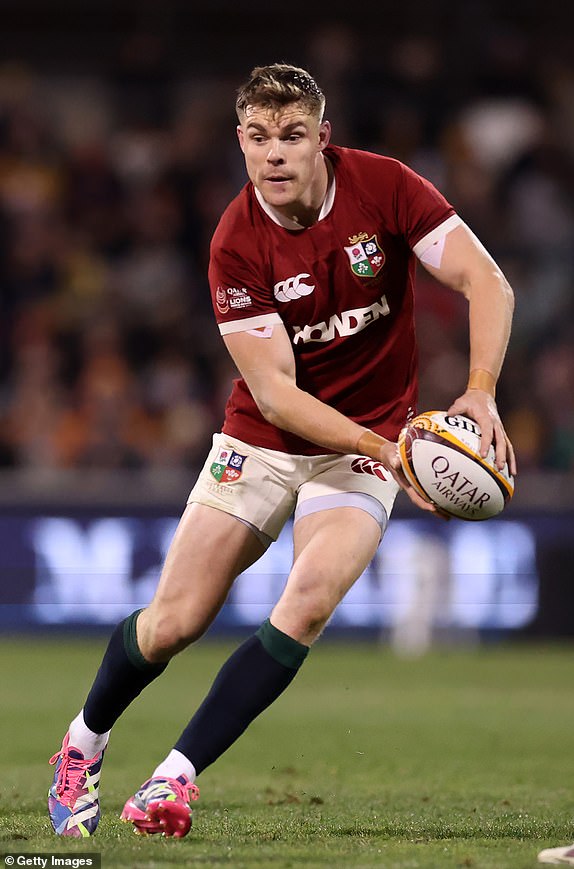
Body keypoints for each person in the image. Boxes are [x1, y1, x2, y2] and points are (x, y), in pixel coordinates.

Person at [47, 62, 516, 839]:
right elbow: (275, 396)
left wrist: (481, 389)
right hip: (266, 441)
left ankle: (172, 779)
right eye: (259, 137)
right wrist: (388, 447)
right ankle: (82, 742)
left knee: (308, 601)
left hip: (362, 446)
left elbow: (487, 281)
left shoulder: (385, 187)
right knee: (173, 623)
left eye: (292, 135)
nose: (275, 153)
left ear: (322, 139)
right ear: (240, 142)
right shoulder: (235, 242)